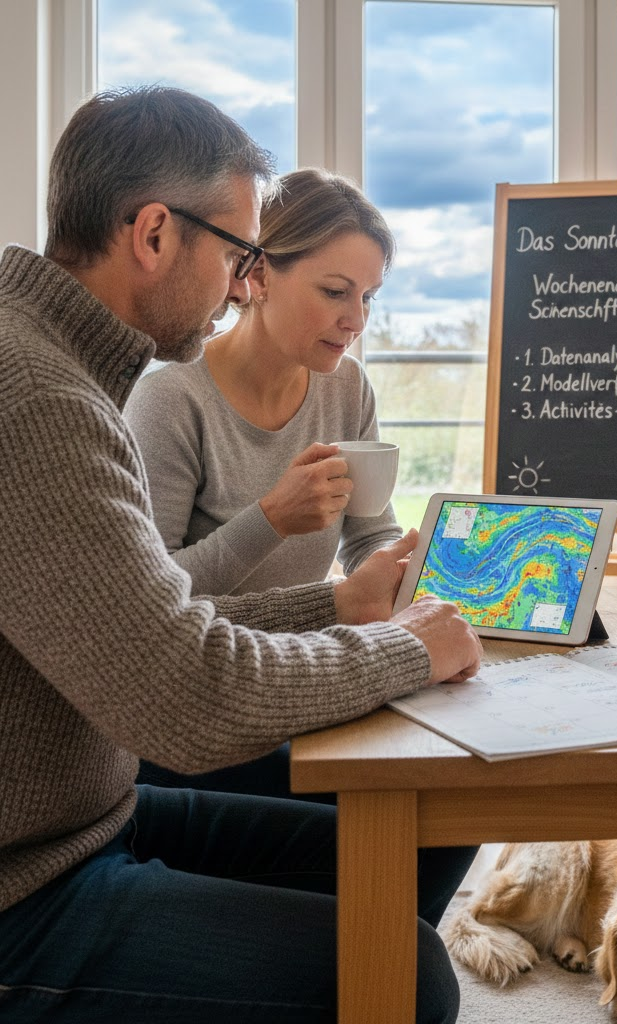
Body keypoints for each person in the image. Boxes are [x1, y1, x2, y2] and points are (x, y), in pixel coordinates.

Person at [0, 85, 482, 1024]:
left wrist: (336, 607)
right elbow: (187, 699)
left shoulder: (55, 367)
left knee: (425, 836)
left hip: (92, 819)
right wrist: (408, 649)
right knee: (404, 975)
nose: (237, 282)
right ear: (152, 234)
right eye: (236, 252)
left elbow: (141, 626)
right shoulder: (45, 404)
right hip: (28, 886)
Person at [124, 168, 404, 600]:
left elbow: (371, 537)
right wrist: (272, 518)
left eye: (367, 296)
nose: (357, 321)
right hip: (213, 661)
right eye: (334, 292)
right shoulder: (171, 400)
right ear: (258, 277)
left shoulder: (348, 386)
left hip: (314, 649)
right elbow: (147, 598)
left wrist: (400, 567)